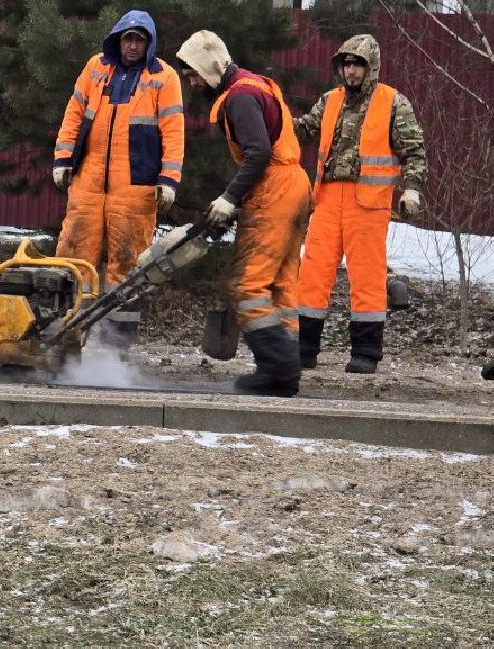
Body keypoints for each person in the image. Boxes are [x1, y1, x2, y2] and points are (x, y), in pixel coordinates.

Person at [175, 29, 311, 396]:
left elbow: (259, 152)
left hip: (275, 190)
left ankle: (278, 370)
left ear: (211, 66)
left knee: (247, 284)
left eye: (194, 74)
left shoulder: (240, 97)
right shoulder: (255, 85)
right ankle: (287, 368)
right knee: (280, 284)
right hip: (294, 186)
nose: (192, 83)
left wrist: (230, 197)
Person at [292, 34, 426, 375]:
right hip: (326, 200)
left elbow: (414, 152)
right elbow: (302, 130)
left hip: (367, 204)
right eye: (346, 64)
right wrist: (271, 118)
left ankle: (366, 353)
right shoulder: (330, 100)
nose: (350, 71)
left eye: (357, 65)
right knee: (312, 275)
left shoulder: (393, 102)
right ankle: (302, 349)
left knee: (367, 277)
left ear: (371, 68)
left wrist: (411, 190)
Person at [52, 10, 184, 345]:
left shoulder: (164, 77)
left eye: (140, 40)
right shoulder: (96, 68)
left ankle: (116, 350)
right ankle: (63, 338)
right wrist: (63, 159)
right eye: (128, 38)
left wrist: (169, 180)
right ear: (117, 39)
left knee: (128, 265)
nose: (133, 46)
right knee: (73, 256)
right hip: (88, 180)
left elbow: (173, 131)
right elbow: (74, 113)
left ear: (149, 43)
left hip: (135, 187)